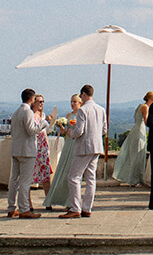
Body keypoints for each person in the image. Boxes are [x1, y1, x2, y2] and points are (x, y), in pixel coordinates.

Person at [62, 84, 106, 219]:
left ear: (83, 95)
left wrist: (70, 133)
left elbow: (79, 131)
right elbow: (104, 130)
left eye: (81, 96)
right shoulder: (101, 109)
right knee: (91, 178)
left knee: (73, 177)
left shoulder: (82, 110)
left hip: (84, 147)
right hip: (97, 146)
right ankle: (87, 208)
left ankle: (75, 208)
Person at [7, 88, 49, 219]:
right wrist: (44, 123)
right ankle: (24, 209)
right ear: (32, 99)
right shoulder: (28, 112)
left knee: (14, 180)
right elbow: (32, 130)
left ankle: (11, 207)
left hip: (16, 149)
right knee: (25, 181)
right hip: (27, 151)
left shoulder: (16, 112)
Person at [44, 93, 81, 210]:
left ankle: (71, 201)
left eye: (75, 102)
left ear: (80, 103)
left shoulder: (81, 115)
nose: (72, 104)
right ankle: (62, 199)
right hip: (68, 145)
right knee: (63, 171)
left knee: (73, 173)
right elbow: (65, 132)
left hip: (76, 145)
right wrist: (62, 128)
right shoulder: (68, 115)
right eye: (71, 101)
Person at [114, 92, 153, 186]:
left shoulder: (140, 106)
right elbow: (146, 120)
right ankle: (134, 179)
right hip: (139, 131)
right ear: (151, 99)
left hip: (137, 130)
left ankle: (137, 178)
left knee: (136, 155)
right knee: (137, 156)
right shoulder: (145, 107)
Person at [32, 95, 52, 193]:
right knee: (31, 174)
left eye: (42, 101)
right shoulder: (30, 115)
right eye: (39, 101)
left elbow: (44, 132)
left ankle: (48, 199)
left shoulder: (42, 115)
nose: (41, 104)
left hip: (43, 147)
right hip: (34, 146)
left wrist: (47, 147)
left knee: (46, 174)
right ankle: (28, 203)